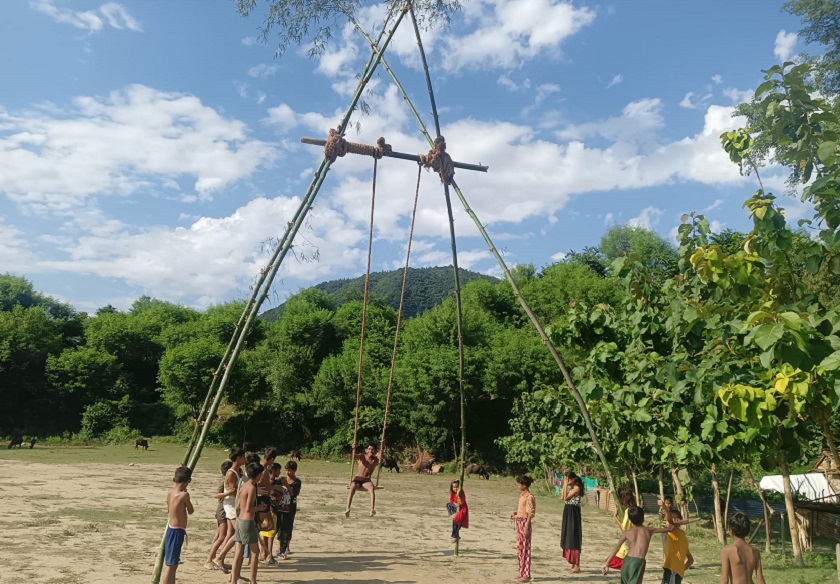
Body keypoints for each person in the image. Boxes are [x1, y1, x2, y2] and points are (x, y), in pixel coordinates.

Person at [602, 506, 675, 584]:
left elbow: (616, 548)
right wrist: (680, 522)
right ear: (643, 518)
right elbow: (671, 529)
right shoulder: (649, 530)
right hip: (638, 561)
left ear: (630, 519)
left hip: (626, 561)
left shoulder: (627, 532)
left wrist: (607, 563)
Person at [230, 462, 266, 584]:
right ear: (258, 475)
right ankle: (253, 581)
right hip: (247, 522)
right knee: (255, 552)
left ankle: (233, 580)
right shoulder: (251, 487)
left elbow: (239, 505)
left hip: (240, 520)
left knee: (238, 552)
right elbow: (249, 508)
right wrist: (260, 507)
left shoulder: (244, 485)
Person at [213, 447, 246, 572]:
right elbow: (233, 492)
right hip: (232, 506)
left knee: (231, 533)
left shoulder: (237, 471)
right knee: (239, 532)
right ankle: (219, 557)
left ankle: (221, 559)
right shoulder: (231, 473)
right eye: (243, 457)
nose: (244, 459)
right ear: (238, 458)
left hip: (234, 504)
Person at [162, 466, 194, 584]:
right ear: (188, 481)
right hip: (177, 531)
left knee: (172, 564)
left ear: (174, 479)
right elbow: (191, 510)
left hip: (171, 528)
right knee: (171, 565)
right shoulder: (184, 495)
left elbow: (168, 510)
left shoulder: (170, 492)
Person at [720, 512, 765, 584]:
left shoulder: (726, 551)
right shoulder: (755, 551)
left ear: (731, 531)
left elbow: (724, 579)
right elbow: (760, 578)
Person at [205, 460, 234, 571]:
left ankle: (215, 559)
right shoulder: (224, 481)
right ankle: (209, 560)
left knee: (220, 535)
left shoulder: (228, 480)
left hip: (225, 509)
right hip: (222, 509)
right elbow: (216, 495)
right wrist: (228, 493)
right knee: (222, 536)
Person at [509, 475, 535, 583]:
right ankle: (521, 572)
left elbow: (530, 514)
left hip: (525, 524)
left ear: (524, 485)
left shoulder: (529, 497)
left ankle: (526, 574)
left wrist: (526, 527)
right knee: (519, 549)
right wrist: (515, 514)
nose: (518, 486)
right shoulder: (522, 495)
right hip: (519, 522)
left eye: (519, 484)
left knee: (525, 549)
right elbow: (522, 510)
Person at [344, 442, 380, 517]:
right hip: (357, 479)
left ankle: (372, 509)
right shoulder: (362, 456)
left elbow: (381, 455)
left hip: (366, 480)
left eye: (373, 449)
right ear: (366, 450)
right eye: (369, 449)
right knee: (352, 488)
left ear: (375, 451)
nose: (371, 451)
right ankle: (347, 509)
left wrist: (382, 446)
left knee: (371, 488)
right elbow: (354, 456)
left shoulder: (375, 459)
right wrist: (353, 449)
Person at [606, 487, 636, 571]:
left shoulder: (628, 511)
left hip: (628, 542)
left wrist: (615, 517)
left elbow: (624, 529)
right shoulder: (636, 509)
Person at [277, 459, 302, 558]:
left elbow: (293, 494)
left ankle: (285, 547)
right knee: (280, 527)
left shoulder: (297, 482)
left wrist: (286, 485)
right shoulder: (280, 480)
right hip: (280, 506)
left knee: (288, 527)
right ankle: (280, 547)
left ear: (294, 470)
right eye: (286, 470)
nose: (288, 472)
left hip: (290, 507)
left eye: (290, 470)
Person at [662, 508, 693, 584]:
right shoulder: (682, 534)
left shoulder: (674, 532)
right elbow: (690, 560)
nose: (665, 522)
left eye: (667, 520)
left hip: (672, 571)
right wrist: (681, 570)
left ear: (676, 520)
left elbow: (690, 560)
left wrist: (678, 570)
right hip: (675, 572)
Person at [560, 471, 584, 573]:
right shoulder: (569, 488)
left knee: (573, 536)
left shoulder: (576, 488)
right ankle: (572, 564)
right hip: (568, 511)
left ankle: (577, 565)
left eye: (569, 479)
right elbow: (562, 497)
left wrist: (565, 485)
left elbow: (566, 497)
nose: (567, 481)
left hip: (573, 513)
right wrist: (565, 486)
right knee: (568, 536)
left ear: (573, 479)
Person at [259, 463, 282, 564]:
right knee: (271, 532)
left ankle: (263, 553)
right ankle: (269, 554)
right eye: (278, 470)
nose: (280, 472)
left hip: (265, 509)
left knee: (264, 532)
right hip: (271, 509)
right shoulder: (271, 483)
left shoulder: (268, 482)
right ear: (273, 471)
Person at [448, 478, 469, 543]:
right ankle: (456, 535)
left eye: (457, 487)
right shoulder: (452, 493)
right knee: (456, 522)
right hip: (456, 509)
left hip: (462, 509)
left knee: (456, 521)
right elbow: (451, 500)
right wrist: (454, 505)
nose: (455, 489)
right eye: (454, 487)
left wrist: (458, 497)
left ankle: (454, 535)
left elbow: (461, 503)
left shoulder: (461, 493)